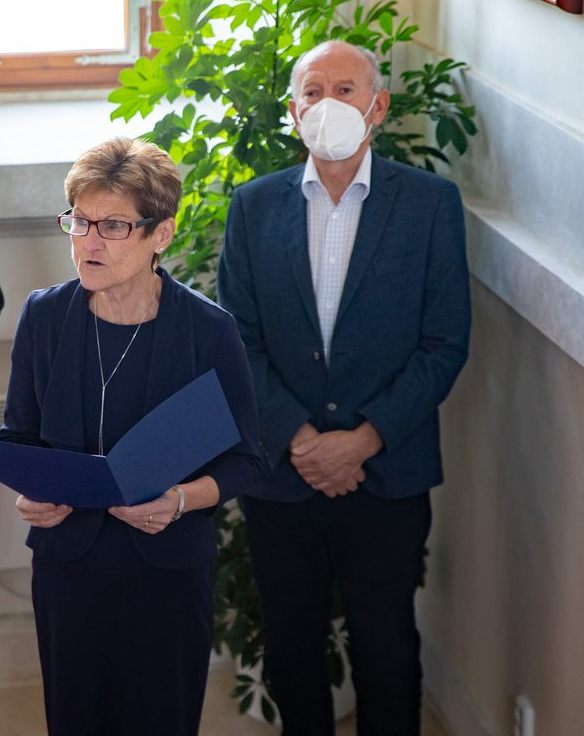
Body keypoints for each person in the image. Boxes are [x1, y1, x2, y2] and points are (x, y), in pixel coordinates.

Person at [217, 41, 471, 736]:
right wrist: (300, 438)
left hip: (387, 474)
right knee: (291, 651)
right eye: (312, 91)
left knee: (387, 652)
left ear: (377, 107)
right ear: (293, 110)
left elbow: (444, 343)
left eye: (345, 89)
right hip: (282, 474)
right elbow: (236, 341)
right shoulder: (252, 206)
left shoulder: (429, 205)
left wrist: (363, 439)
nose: (327, 103)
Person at [0, 137, 259, 736]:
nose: (89, 242)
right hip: (69, 565)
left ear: (160, 234)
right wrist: (29, 496)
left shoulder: (208, 332)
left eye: (113, 226)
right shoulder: (44, 316)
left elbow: (246, 459)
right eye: (80, 221)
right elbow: (20, 435)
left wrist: (180, 500)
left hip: (166, 569)